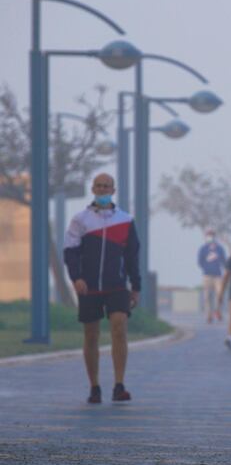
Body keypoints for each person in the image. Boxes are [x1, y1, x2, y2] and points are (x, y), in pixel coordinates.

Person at [63, 173, 140, 404]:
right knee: (91, 334)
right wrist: (75, 277)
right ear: (93, 189)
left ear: (113, 191)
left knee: (119, 326)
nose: (103, 189)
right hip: (88, 286)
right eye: (99, 186)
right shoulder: (80, 220)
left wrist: (136, 286)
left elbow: (133, 256)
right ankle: (94, 386)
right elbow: (70, 251)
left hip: (117, 285)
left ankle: (119, 385)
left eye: (107, 186)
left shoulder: (125, 220)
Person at [197, 229, 227, 324]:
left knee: (219, 294)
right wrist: (206, 267)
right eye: (208, 235)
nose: (210, 237)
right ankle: (209, 315)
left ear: (215, 236)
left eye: (212, 235)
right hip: (207, 275)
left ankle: (217, 311)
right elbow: (200, 261)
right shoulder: (203, 248)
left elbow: (224, 261)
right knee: (207, 296)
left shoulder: (220, 248)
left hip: (218, 275)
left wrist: (225, 270)